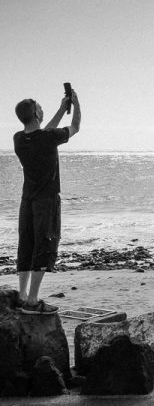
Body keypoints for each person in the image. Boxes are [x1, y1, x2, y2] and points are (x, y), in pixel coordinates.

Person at [14, 88, 81, 315]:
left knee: (26, 244)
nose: (42, 108)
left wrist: (62, 108)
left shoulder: (19, 139)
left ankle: (22, 295)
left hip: (28, 200)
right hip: (46, 200)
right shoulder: (48, 138)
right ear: (34, 113)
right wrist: (76, 104)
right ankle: (33, 301)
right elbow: (76, 127)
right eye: (39, 106)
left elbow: (43, 132)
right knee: (44, 246)